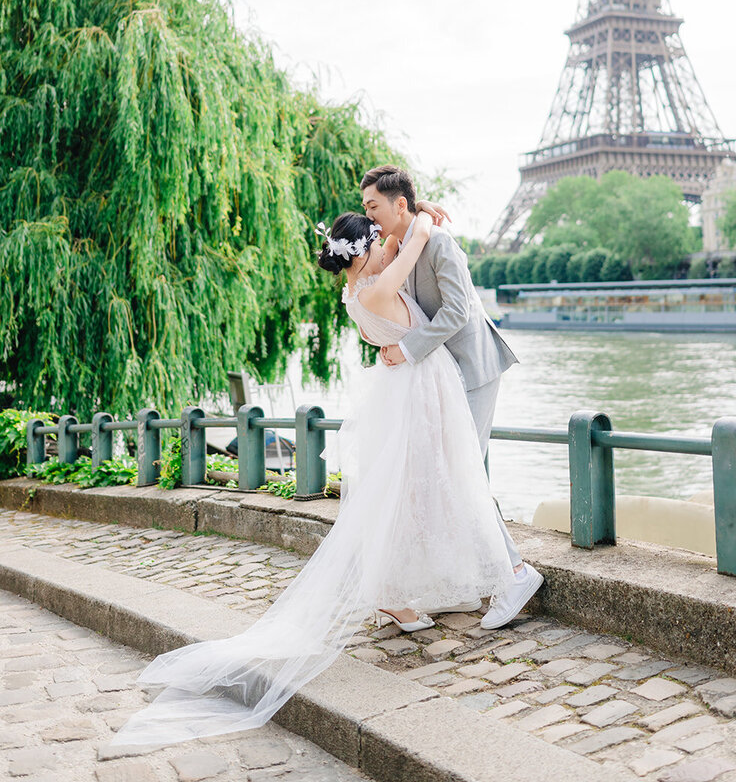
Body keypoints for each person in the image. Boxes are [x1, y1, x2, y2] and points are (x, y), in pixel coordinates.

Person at [112, 210, 515, 749]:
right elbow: (410, 252)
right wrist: (419, 227)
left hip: (414, 389)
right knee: (419, 493)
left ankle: (399, 593)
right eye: (375, 241)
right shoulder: (374, 290)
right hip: (419, 391)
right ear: (365, 252)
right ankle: (408, 591)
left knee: (409, 495)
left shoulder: (358, 291)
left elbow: (398, 259)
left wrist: (408, 225)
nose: (384, 244)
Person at [360, 164, 543, 629]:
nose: (370, 216)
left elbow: (460, 312)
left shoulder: (439, 243)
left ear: (399, 204)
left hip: (474, 371)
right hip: (443, 377)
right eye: (365, 208)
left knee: (465, 476)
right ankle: (472, 582)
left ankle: (517, 574)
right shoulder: (400, 245)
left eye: (374, 206)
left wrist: (406, 348)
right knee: (450, 474)